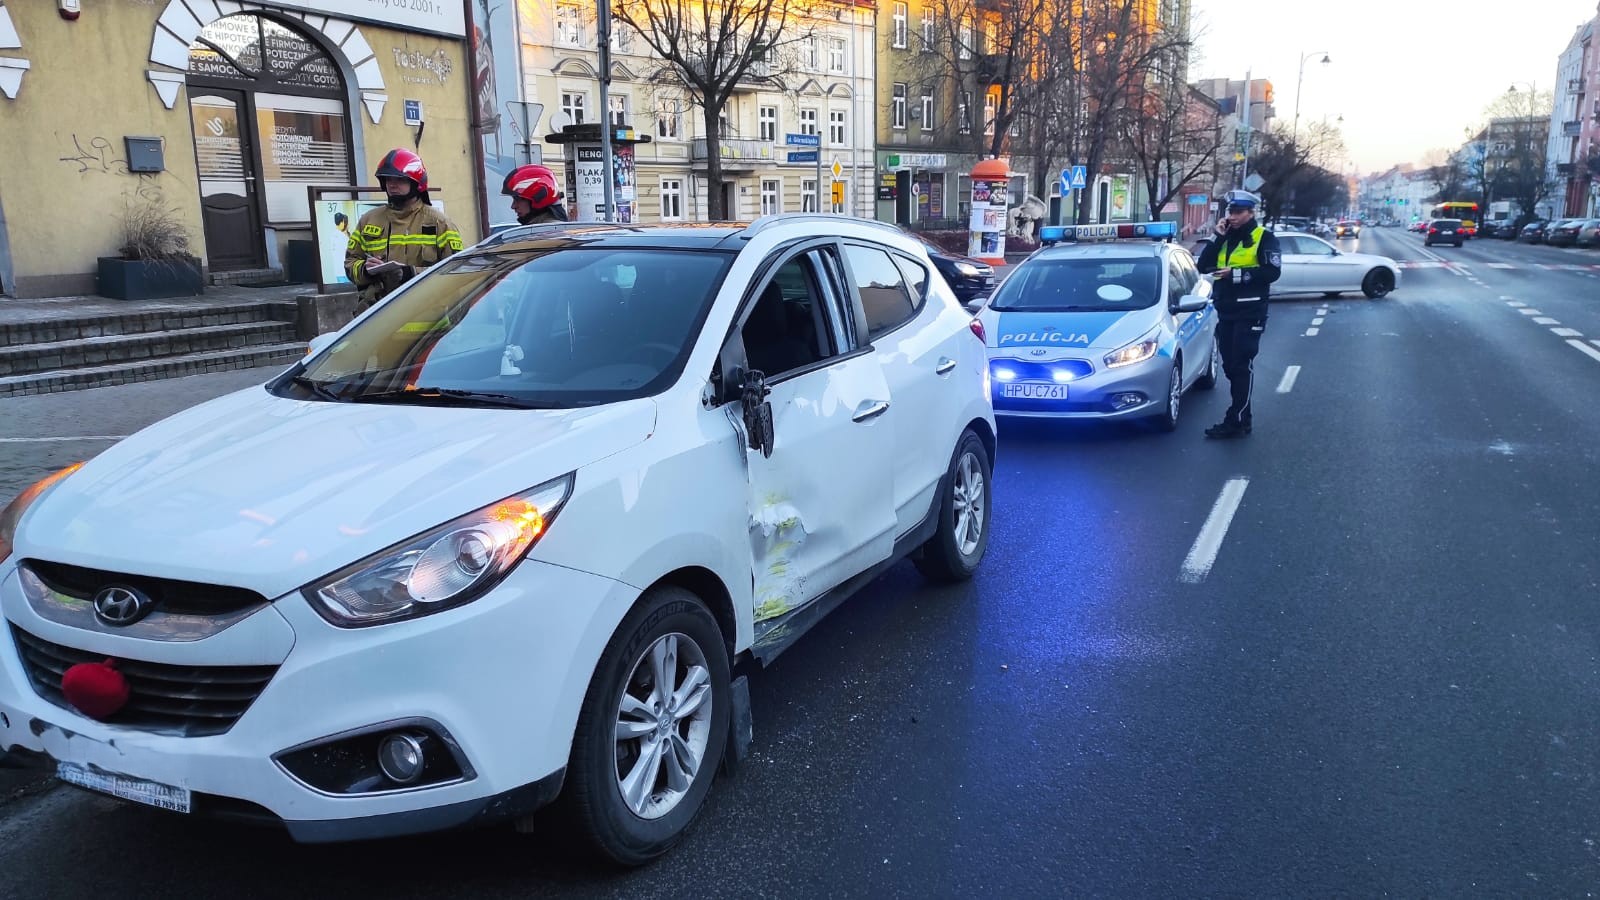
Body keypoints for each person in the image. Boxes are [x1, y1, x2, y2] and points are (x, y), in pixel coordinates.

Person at [1195, 189, 1281, 439]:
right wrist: (1217, 236)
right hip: (1226, 310)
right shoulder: (1225, 236)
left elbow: (1272, 272)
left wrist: (1237, 274)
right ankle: (1242, 417)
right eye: (1230, 211)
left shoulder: (1264, 237)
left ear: (1251, 213)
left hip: (1250, 311)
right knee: (1230, 366)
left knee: (1241, 365)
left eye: (1238, 212)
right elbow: (1203, 266)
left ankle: (1237, 418)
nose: (1232, 216)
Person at [345, 148, 463, 308]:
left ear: (416, 184)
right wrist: (365, 270)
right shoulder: (369, 220)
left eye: (399, 179)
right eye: (388, 179)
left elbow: (456, 272)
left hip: (424, 315)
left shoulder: (440, 223)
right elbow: (350, 263)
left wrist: (411, 273)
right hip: (377, 316)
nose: (392, 185)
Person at [502, 164, 569, 225]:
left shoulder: (548, 231)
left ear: (539, 198)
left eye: (517, 199)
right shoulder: (541, 229)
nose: (513, 206)